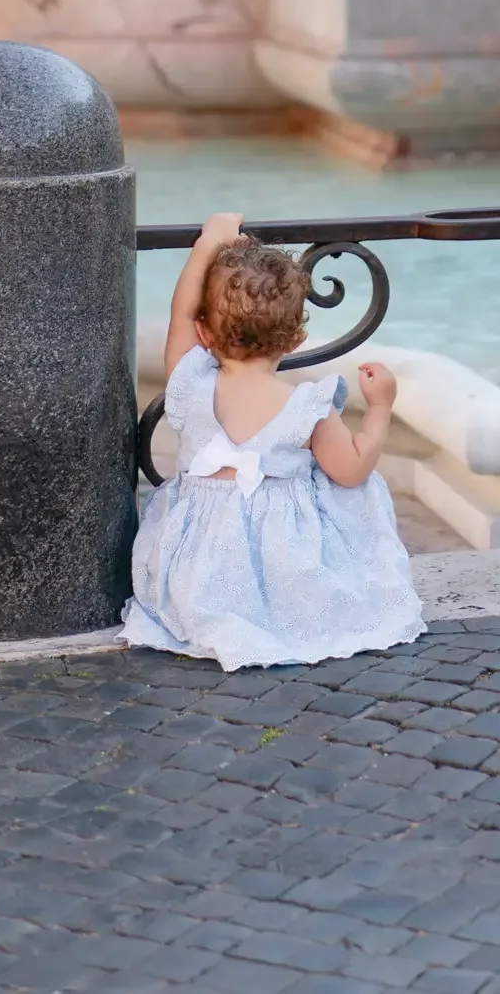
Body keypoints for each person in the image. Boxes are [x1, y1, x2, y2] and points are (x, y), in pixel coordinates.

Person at [124, 212, 425, 672]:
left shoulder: (188, 383)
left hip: (196, 570)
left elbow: (181, 312)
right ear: (298, 336)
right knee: (354, 491)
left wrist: (208, 244)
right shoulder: (308, 407)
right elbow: (352, 469)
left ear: (204, 332)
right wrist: (380, 407)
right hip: (283, 563)